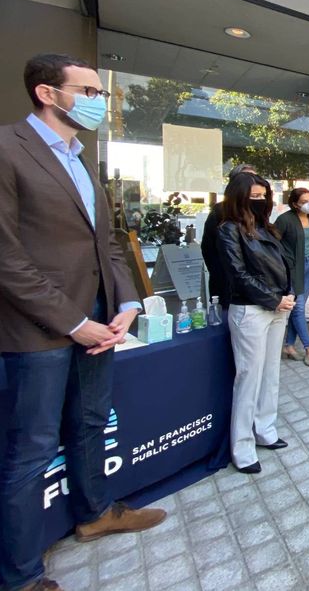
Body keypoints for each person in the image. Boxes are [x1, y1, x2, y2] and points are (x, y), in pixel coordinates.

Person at [0, 54, 166, 591]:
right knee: (32, 449)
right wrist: (73, 322)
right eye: (90, 90)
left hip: (100, 325)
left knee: (91, 422)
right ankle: (22, 575)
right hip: (38, 332)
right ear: (48, 93)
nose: (100, 100)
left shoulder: (81, 159)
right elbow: (7, 259)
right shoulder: (7, 150)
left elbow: (108, 243)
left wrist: (126, 305)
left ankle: (95, 513)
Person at [217, 173, 294, 473]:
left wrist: (286, 296)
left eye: (264, 196)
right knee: (249, 378)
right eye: (254, 196)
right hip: (251, 309)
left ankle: (265, 429)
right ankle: (242, 446)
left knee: (270, 374)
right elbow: (238, 274)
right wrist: (273, 299)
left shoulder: (265, 227)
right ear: (238, 196)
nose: (260, 201)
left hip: (278, 306)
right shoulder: (229, 230)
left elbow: (282, 264)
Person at [275, 187, 309, 367]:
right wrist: (286, 262)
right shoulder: (284, 220)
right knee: (299, 308)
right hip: (294, 269)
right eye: (304, 201)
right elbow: (274, 244)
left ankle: (288, 346)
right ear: (294, 204)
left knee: (296, 308)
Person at [201, 162, 257, 306]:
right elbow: (208, 249)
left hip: (254, 285)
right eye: (247, 178)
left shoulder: (257, 210)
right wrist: (223, 273)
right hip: (228, 284)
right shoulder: (221, 211)